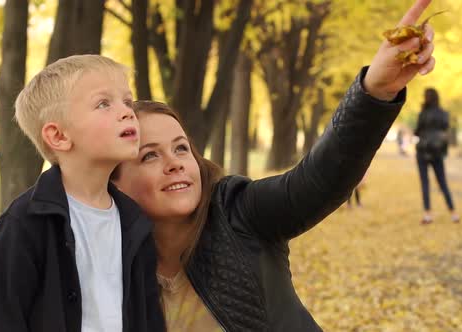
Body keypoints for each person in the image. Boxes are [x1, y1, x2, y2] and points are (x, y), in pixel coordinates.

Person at [111, 1, 438, 330]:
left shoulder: (238, 212)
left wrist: (375, 91)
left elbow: (316, 182)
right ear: (115, 182)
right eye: (150, 155)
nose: (175, 164)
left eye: (182, 148)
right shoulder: (106, 267)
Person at [0, 55, 165, 332]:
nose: (128, 112)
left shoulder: (135, 221)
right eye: (104, 103)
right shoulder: (24, 225)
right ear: (59, 136)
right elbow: (2, 321)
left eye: (127, 101)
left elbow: (149, 318)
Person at [414, 87, 459, 224]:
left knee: (425, 183)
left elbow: (417, 131)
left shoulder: (423, 113)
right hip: (437, 151)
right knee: (442, 182)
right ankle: (453, 213)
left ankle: (428, 214)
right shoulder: (444, 113)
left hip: (422, 150)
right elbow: (445, 128)